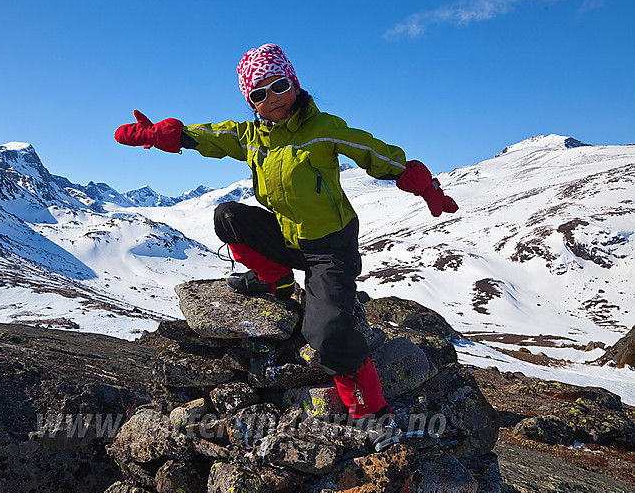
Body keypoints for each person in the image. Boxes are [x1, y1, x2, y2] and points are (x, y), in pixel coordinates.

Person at [114, 43, 458, 419]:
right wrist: (165, 135)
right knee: (228, 216)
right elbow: (211, 135)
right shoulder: (252, 136)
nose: (271, 98)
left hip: (330, 248)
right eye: (258, 94)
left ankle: (371, 411)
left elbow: (374, 153)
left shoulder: (323, 129)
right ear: (252, 103)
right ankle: (274, 281)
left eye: (278, 85)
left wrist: (424, 186)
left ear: (294, 84)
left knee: (326, 334)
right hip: (288, 237)